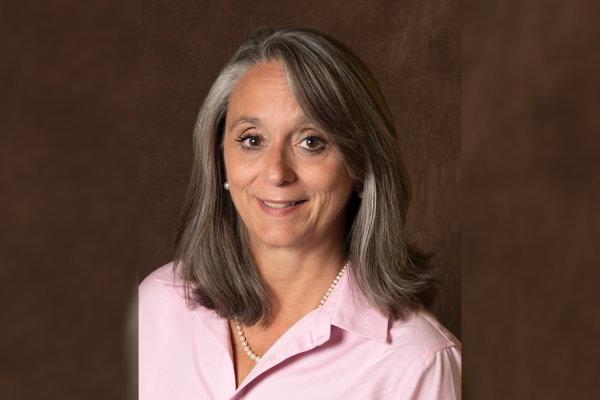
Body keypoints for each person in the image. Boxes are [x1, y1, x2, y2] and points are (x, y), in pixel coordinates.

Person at [139, 26, 461, 399]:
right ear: (220, 158)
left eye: (311, 142)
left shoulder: (417, 364)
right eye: (252, 140)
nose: (276, 172)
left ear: (359, 166)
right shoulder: (156, 308)